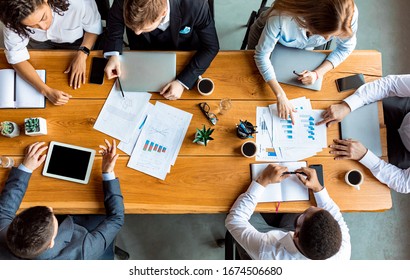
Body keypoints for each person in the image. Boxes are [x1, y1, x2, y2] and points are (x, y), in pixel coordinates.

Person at [0, 139, 124, 259]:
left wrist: (25, 168)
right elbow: (116, 218)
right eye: (51, 216)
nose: (49, 207)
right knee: (99, 214)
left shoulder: (2, 230)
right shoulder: (84, 251)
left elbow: (5, 210)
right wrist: (108, 172)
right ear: (51, 243)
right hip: (80, 236)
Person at [248, 0, 358, 123]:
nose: (327, 39)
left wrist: (317, 73)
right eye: (324, 33)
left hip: (301, 47)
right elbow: (261, 55)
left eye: (333, 35)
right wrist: (280, 95)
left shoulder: (346, 17)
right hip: (264, 35)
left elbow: (345, 48)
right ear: (310, 20)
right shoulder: (280, 17)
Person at [225, 164, 351, 260]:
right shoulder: (343, 249)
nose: (311, 207)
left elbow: (234, 220)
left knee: (235, 210)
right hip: (293, 240)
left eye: (303, 215)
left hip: (261, 247)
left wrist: (263, 180)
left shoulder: (268, 253)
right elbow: (333, 210)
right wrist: (317, 188)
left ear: (296, 234)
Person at [103, 0, 219, 100]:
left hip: (184, 51)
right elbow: (115, 19)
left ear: (163, 13)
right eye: (133, 28)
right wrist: (113, 54)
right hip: (142, 50)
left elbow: (211, 47)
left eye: (144, 28)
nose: (136, 32)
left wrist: (182, 82)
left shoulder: (195, 4)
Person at [319, 75, 410, 193]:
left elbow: (404, 182)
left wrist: (364, 156)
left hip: (402, 152)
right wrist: (347, 106)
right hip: (403, 111)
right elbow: (389, 85)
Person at [0, 0, 102, 105]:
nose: (43, 27)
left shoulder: (78, 3)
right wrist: (45, 90)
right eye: (32, 26)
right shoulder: (13, 18)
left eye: (43, 17)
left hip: (77, 43)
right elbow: (16, 56)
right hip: (38, 42)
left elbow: (93, 27)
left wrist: (82, 54)